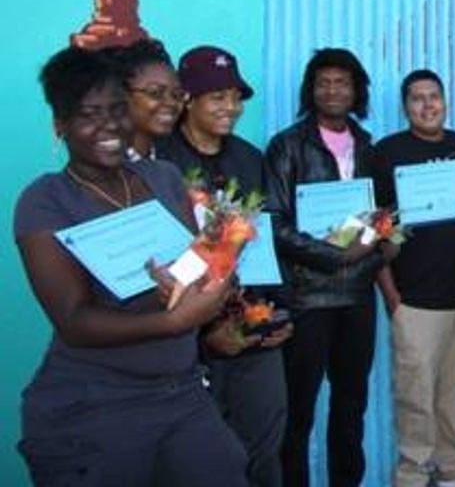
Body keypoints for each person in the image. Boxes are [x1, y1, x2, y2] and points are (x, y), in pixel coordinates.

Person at [14, 46, 247, 485]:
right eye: (89, 114)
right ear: (60, 126)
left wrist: (211, 284)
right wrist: (176, 321)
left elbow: (203, 268)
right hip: (96, 406)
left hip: (181, 396)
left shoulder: (163, 179)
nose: (109, 125)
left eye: (118, 110)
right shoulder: (44, 201)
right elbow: (74, 321)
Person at [156, 45, 291, 487]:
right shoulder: (160, 163)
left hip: (252, 330)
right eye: (217, 97)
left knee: (262, 451)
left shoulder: (250, 159)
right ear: (187, 100)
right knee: (197, 462)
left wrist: (277, 313)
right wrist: (206, 337)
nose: (230, 108)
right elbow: (156, 264)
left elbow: (266, 237)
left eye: (235, 97)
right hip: (186, 341)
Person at [265, 48, 391, 487]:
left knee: (351, 406)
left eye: (342, 82)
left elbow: (383, 219)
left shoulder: (368, 147)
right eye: (324, 82)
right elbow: (275, 224)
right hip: (307, 298)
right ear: (311, 90)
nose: (333, 90)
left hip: (358, 297)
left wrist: (373, 250)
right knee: (297, 411)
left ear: (357, 91)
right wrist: (335, 255)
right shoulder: (287, 145)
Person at [372, 69, 455, 487]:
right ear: (405, 106)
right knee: (415, 397)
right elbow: (373, 229)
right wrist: (391, 295)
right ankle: (412, 474)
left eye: (434, 97)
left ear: (446, 102)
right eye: (417, 98)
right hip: (416, 300)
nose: (427, 105)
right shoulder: (386, 152)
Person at [109, 38, 186, 161]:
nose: (171, 103)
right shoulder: (105, 166)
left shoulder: (173, 161)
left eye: (177, 94)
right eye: (155, 93)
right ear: (123, 95)